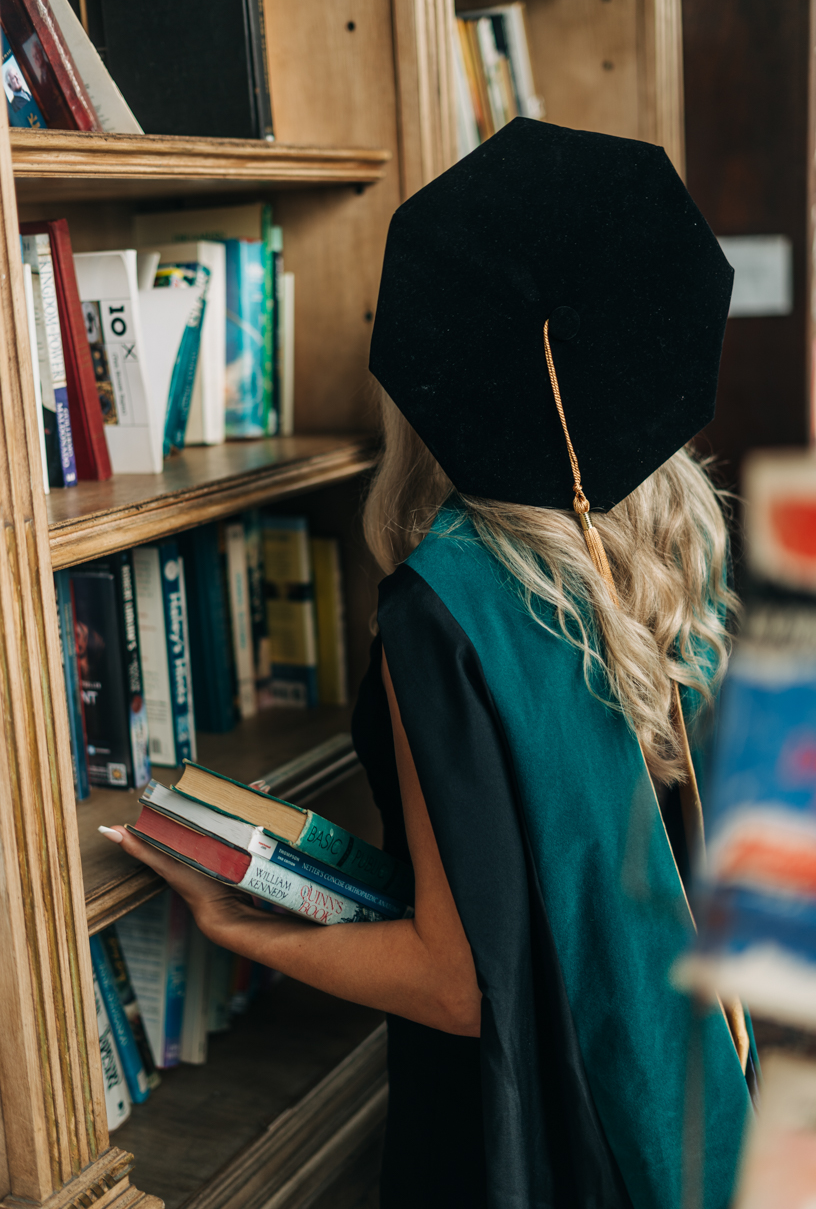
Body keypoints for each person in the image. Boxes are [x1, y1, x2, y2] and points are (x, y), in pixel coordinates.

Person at [106, 118, 753, 1209]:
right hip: (683, 1058)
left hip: (545, 1113)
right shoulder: (668, 547)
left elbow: (455, 986)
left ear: (431, 374)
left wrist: (239, 925)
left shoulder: (443, 607)